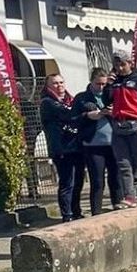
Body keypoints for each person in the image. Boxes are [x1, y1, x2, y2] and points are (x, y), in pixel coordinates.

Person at [108, 50, 137, 207]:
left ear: (129, 63)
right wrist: (109, 85)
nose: (120, 68)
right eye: (116, 65)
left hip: (136, 124)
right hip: (118, 125)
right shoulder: (114, 82)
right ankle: (129, 196)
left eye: (122, 64)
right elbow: (106, 99)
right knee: (124, 163)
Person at [74, 68, 123, 215]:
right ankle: (96, 212)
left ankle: (118, 206)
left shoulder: (110, 95)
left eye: (103, 84)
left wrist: (113, 111)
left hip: (113, 142)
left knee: (116, 177)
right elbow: (74, 119)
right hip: (93, 144)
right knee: (97, 180)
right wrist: (89, 115)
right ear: (91, 81)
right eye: (98, 84)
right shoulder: (82, 98)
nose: (101, 87)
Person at [39, 74, 86, 222]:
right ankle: (67, 215)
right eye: (55, 83)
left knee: (78, 181)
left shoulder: (70, 100)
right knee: (67, 182)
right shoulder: (47, 102)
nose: (59, 86)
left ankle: (76, 210)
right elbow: (68, 114)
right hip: (61, 148)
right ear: (48, 87)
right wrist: (86, 112)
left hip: (76, 146)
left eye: (61, 82)